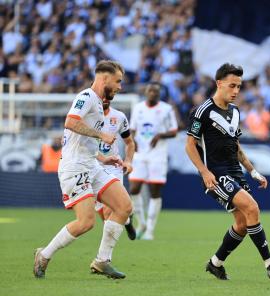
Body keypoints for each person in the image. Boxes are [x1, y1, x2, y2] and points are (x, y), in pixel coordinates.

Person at [33, 60, 132, 279]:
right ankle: (44, 254)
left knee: (124, 207)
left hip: (91, 164)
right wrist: (101, 135)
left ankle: (102, 261)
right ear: (104, 78)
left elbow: (77, 139)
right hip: (74, 168)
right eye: (118, 81)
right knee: (86, 222)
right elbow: (70, 122)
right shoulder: (86, 97)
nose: (120, 87)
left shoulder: (98, 102)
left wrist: (102, 158)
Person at [185, 63, 270, 280]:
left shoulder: (235, 112)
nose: (236, 91)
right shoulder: (202, 111)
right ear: (219, 83)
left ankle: (215, 263)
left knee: (241, 224)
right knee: (252, 208)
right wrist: (204, 172)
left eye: (239, 86)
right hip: (215, 174)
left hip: (235, 172)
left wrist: (253, 171)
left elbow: (236, 146)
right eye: (232, 85)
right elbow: (189, 145)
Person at [129, 83, 178, 240]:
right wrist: (132, 141)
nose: (152, 94)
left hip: (158, 154)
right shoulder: (138, 108)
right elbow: (132, 128)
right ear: (146, 92)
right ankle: (141, 223)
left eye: (156, 92)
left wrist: (159, 136)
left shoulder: (166, 109)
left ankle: (150, 230)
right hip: (140, 153)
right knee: (134, 188)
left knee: (154, 191)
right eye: (150, 91)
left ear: (159, 94)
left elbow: (174, 131)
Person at [95, 98, 136, 240]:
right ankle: (127, 221)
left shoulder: (119, 117)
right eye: (102, 96)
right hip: (92, 167)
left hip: (113, 167)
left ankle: (103, 257)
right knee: (104, 216)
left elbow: (130, 142)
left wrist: (128, 161)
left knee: (109, 212)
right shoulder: (86, 117)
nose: (104, 99)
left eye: (108, 96)